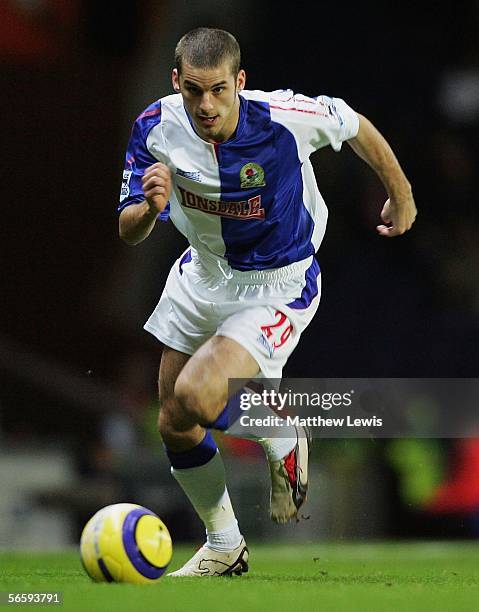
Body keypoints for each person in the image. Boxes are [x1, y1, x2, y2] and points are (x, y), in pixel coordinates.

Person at [118, 27, 417, 577]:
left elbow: (356, 126)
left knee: (199, 396)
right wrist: (148, 206)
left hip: (276, 283)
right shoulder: (153, 127)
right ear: (176, 82)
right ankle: (225, 544)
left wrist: (402, 196)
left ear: (240, 82)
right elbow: (129, 229)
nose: (206, 105)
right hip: (201, 275)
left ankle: (283, 430)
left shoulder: (283, 116)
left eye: (218, 91)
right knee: (174, 421)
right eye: (194, 92)